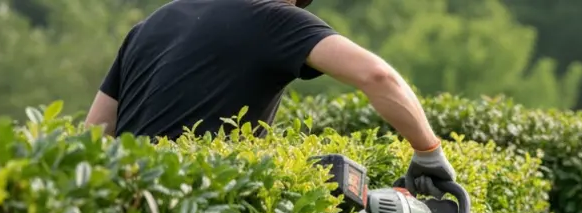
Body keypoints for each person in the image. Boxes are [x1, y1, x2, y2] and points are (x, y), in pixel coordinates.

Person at [83, 0, 454, 195]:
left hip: (123, 206)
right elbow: (377, 75)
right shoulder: (271, 17)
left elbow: (94, 133)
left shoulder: (150, 25)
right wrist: (428, 153)